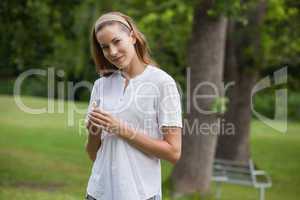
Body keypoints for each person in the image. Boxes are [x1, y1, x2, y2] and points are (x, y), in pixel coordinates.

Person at [85, 11, 182, 200]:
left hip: (140, 194)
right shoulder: (101, 85)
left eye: (116, 41)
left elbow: (173, 152)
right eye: (105, 47)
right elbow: (92, 154)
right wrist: (93, 132)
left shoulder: (162, 83)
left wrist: (121, 128)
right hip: (98, 192)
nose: (112, 52)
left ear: (132, 37)